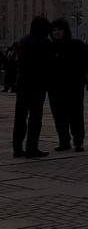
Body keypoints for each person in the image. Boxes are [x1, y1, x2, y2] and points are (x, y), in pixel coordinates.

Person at [48, 19, 88, 152]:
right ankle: (64, 141)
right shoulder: (50, 47)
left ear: (65, 31)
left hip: (74, 86)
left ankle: (78, 141)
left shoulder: (76, 45)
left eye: (59, 30)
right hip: (55, 87)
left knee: (76, 114)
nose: (56, 33)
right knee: (59, 115)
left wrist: (77, 72)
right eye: (54, 30)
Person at [13, 17, 54, 158]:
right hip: (38, 85)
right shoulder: (46, 43)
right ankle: (32, 148)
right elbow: (49, 65)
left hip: (23, 83)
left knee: (20, 117)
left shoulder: (23, 41)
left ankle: (17, 148)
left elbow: (19, 62)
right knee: (35, 118)